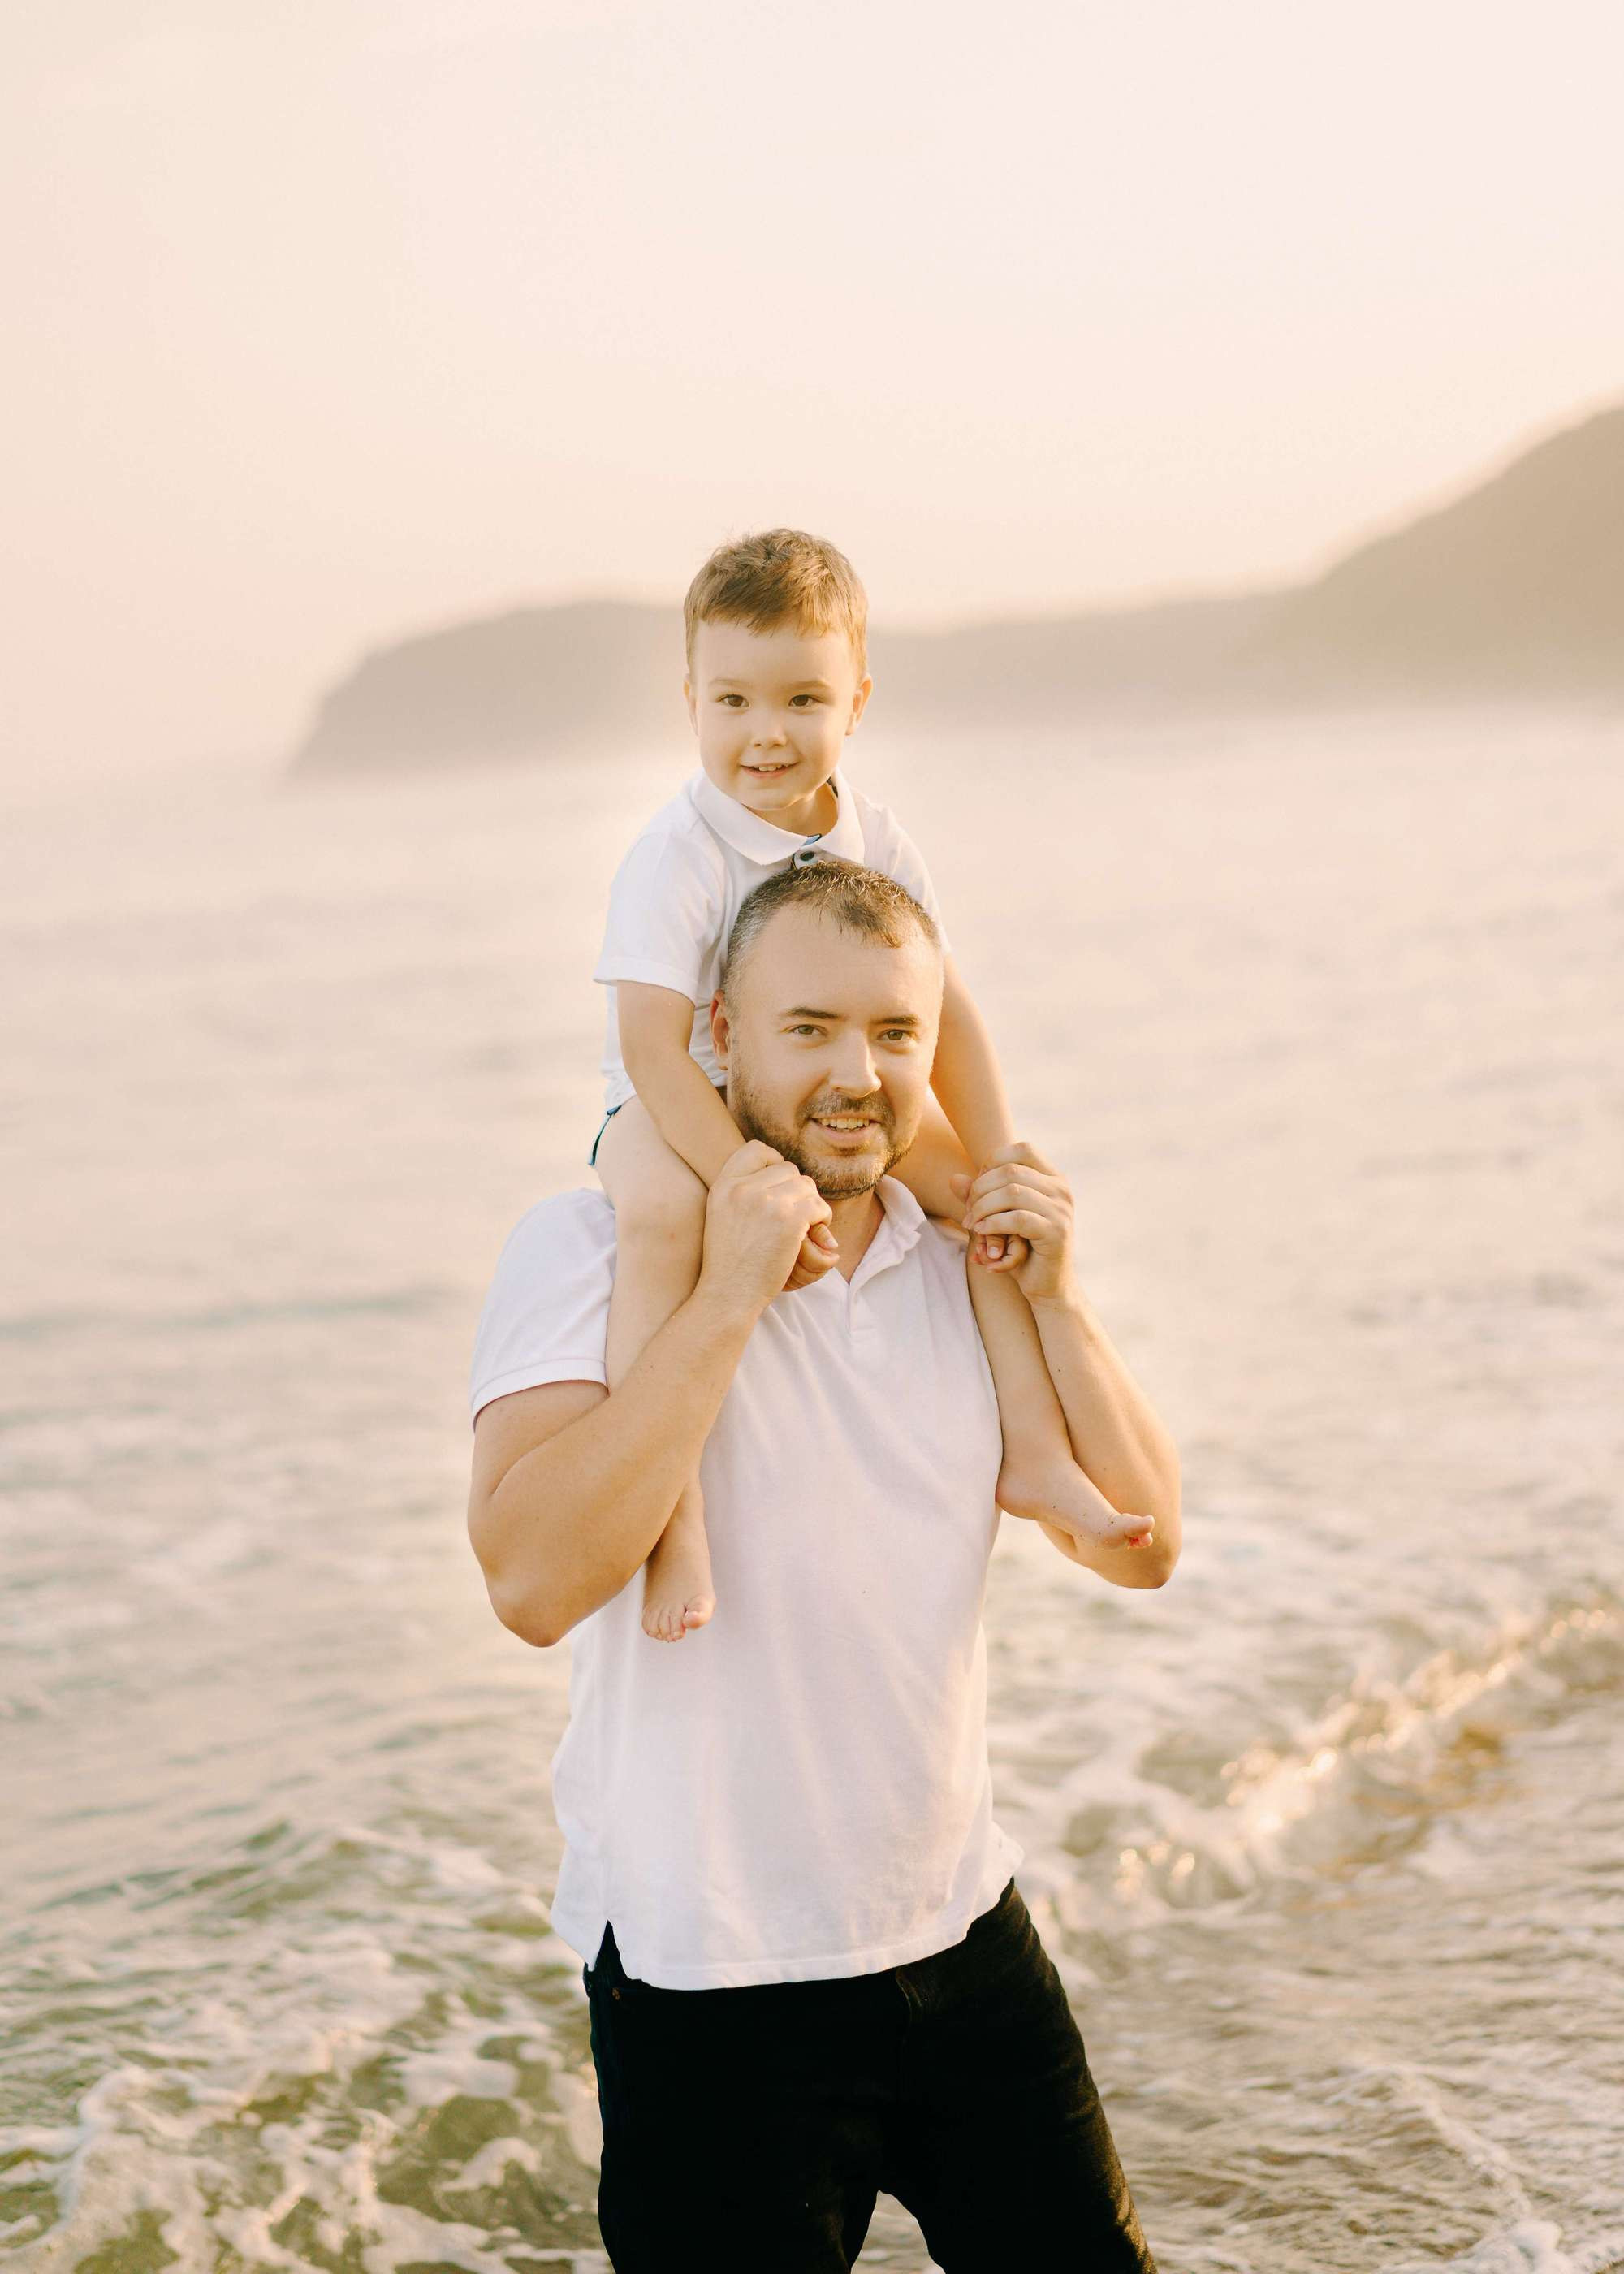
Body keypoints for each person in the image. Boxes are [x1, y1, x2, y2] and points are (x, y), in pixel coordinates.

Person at [466, 858, 1180, 2270]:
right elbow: (533, 1585)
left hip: (963, 1939)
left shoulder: (954, 1259)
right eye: (809, 1030)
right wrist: (732, 1291)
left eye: (895, 1034)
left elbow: (1142, 1542)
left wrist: (1062, 1299)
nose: (859, 1073)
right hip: (708, 1978)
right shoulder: (596, 1250)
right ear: (717, 1034)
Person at [590, 526, 1153, 1641]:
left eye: (802, 699)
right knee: (661, 1218)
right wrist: (745, 1178)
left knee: (975, 1206)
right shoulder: (677, 855)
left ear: (857, 703)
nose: (766, 734)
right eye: (734, 702)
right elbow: (653, 1048)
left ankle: (1034, 1451)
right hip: (670, 1108)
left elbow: (949, 1013)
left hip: (804, 1093)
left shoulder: (878, 840)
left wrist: (997, 1160)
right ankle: (676, 1519)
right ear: (690, 701)